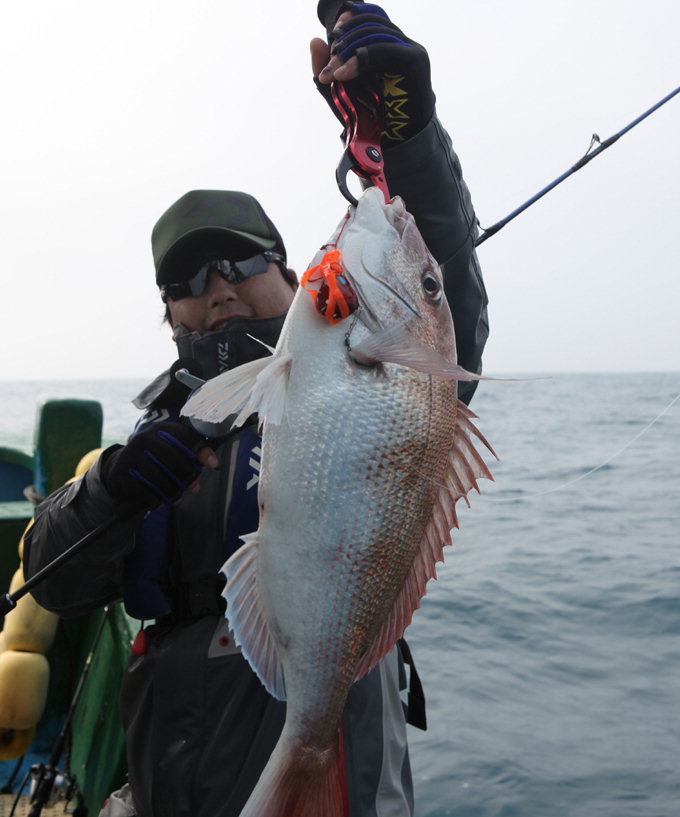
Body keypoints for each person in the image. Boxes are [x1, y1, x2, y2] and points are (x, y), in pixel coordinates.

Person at [23, 2, 489, 815]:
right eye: (187, 282)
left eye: (239, 263)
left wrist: (407, 132)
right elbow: (50, 578)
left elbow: (440, 270)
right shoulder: (155, 433)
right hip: (169, 763)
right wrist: (112, 491)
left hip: (333, 735)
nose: (218, 290)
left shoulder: (389, 354)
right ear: (168, 312)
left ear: (291, 269)